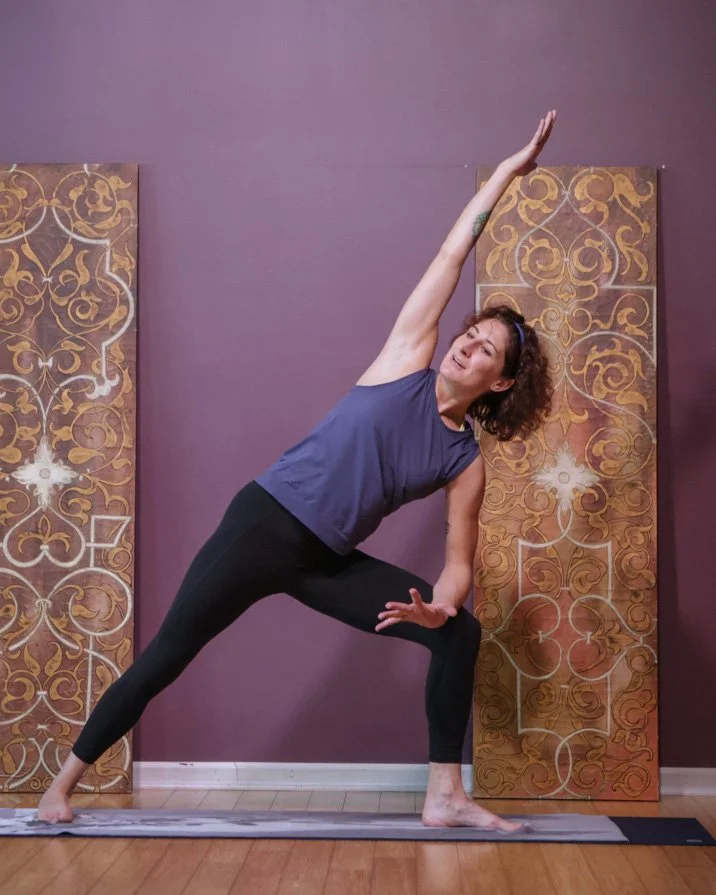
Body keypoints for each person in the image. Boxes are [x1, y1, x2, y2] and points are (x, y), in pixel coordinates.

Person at [38, 111, 556, 830]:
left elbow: (459, 561)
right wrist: (506, 173)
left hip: (324, 557)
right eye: (470, 336)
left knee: (458, 632)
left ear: (499, 384)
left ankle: (445, 796)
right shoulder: (405, 357)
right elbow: (448, 254)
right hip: (264, 522)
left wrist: (439, 604)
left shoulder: (464, 458)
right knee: (168, 654)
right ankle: (59, 786)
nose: (466, 348)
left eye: (484, 353)